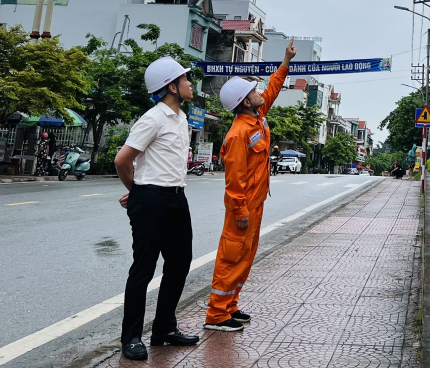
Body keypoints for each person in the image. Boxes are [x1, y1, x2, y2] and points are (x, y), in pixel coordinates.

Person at [205, 39, 297, 331]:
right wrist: (241, 211)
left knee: (244, 258)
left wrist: (285, 62)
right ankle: (216, 315)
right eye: (253, 92)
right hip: (242, 209)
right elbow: (234, 180)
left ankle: (230, 306)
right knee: (231, 258)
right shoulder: (237, 135)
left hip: (255, 204)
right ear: (245, 102)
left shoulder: (257, 119)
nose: (260, 93)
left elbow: (272, 90)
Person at [113, 56, 201, 361]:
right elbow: (122, 160)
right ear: (172, 87)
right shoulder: (153, 118)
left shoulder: (181, 118)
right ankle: (132, 337)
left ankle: (164, 328)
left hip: (177, 198)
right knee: (144, 269)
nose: (191, 83)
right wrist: (137, 193)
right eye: (186, 79)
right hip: (151, 200)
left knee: (179, 264)